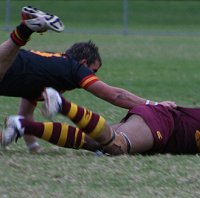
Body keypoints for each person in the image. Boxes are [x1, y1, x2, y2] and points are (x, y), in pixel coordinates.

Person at [0, 6, 176, 153]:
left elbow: (24, 115)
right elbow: (116, 95)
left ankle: (26, 29)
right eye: (94, 70)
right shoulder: (73, 68)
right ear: (84, 63)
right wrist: (154, 105)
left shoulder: (49, 76)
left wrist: (34, 148)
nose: (94, 76)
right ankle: (25, 29)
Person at [1, 86, 200, 157]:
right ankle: (61, 104)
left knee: (92, 142)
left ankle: (22, 125)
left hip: (158, 118)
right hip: (161, 124)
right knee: (116, 146)